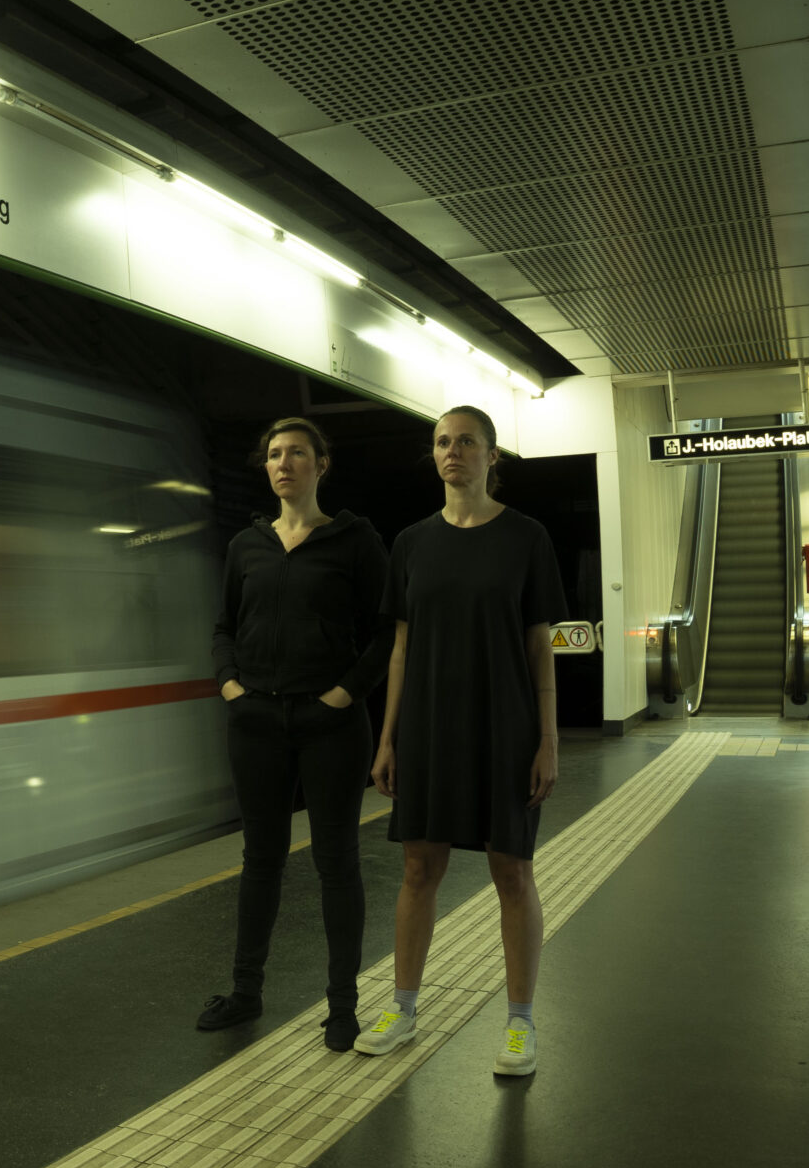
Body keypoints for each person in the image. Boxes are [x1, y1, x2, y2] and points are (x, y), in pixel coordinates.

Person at [356, 405, 568, 1077]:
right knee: (420, 868)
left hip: (506, 725)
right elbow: (400, 647)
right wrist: (387, 736)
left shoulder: (526, 537)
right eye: (443, 442)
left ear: (492, 456)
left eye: (467, 442)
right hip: (427, 727)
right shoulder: (412, 542)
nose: (453, 452)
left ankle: (520, 1024)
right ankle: (404, 1007)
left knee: (513, 871)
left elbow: (541, 644)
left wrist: (548, 738)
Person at [199, 417, 392, 1051]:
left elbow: (386, 632)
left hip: (330, 724)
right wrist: (230, 683)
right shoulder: (246, 547)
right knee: (262, 861)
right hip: (256, 722)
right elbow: (225, 625)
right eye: (275, 455)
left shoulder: (354, 542)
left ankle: (343, 1007)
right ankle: (246, 993)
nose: (284, 464)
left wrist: (343, 694)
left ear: (321, 464)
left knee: (337, 864)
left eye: (297, 454)